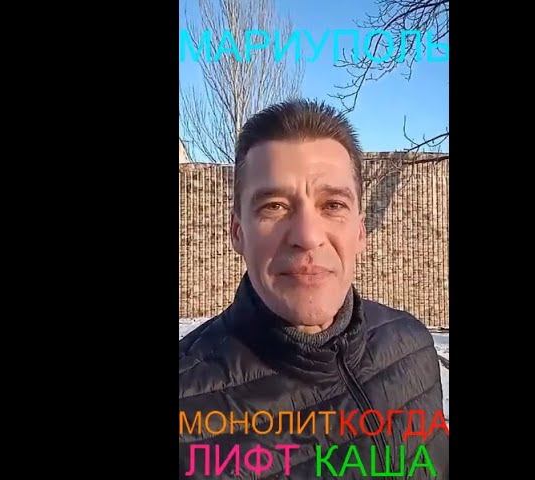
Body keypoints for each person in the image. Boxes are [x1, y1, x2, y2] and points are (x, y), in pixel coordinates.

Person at [179, 99, 448, 479]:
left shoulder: (413, 345)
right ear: (238, 233)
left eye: (333, 204)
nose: (307, 236)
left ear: (360, 232)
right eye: (274, 206)